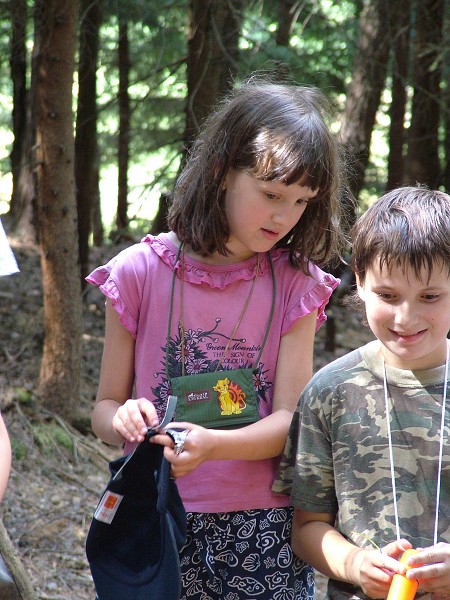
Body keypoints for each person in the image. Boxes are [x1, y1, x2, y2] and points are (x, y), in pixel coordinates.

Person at [87, 77, 347, 599]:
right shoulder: (140, 272)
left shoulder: (296, 286)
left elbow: (288, 423)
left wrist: (213, 447)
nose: (283, 216)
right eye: (271, 194)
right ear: (224, 171)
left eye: (300, 201)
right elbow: (104, 408)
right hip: (154, 514)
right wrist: (123, 419)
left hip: (262, 527)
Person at [274, 186, 450, 599]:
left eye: (430, 297)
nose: (406, 317)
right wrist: (354, 564)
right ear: (361, 284)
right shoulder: (329, 392)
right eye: (388, 295)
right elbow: (306, 527)